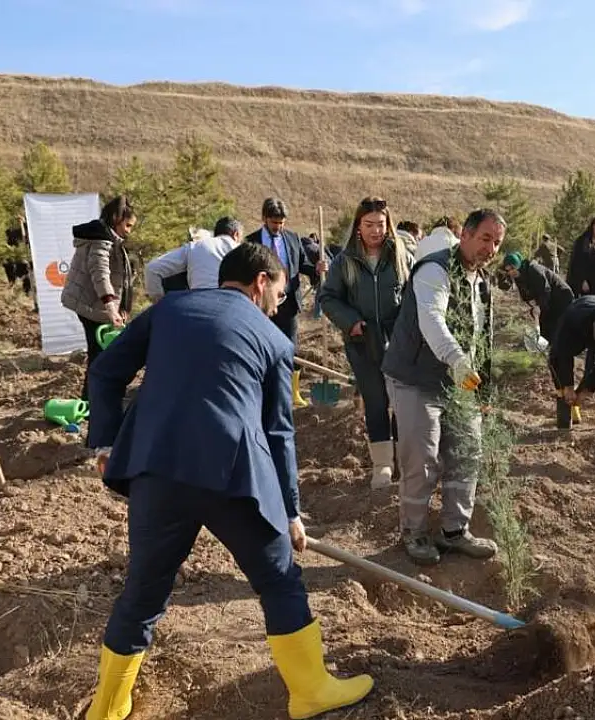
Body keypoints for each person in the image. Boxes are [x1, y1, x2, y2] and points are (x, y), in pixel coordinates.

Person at [80, 243, 373, 720]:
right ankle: (311, 691)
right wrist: (290, 512)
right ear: (260, 282)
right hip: (234, 477)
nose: (279, 305)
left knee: (143, 592)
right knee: (279, 581)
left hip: (158, 469)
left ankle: (108, 708)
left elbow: (105, 372)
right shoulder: (274, 340)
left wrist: (105, 443)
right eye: (280, 293)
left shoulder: (169, 309)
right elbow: (278, 433)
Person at [380, 209, 505, 566]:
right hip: (415, 377)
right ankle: (414, 532)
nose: (491, 249)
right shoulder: (435, 269)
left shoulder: (481, 280)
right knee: (421, 458)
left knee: (467, 452)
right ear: (464, 234)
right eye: (485, 239)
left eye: (497, 242)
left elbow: (481, 336)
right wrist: (458, 360)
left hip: (459, 383)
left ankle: (454, 530)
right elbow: (432, 320)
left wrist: (483, 388)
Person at [317, 197, 413, 490]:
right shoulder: (345, 262)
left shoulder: (401, 257)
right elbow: (328, 298)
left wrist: (405, 329)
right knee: (375, 400)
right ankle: (382, 464)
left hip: (397, 341)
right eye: (369, 224)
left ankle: (404, 461)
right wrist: (352, 322)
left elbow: (412, 297)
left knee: (401, 401)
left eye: (381, 224)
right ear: (358, 226)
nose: (375, 231)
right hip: (362, 341)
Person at [245, 197, 326, 409]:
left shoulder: (292, 238)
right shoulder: (251, 242)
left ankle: (292, 392)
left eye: (281, 223)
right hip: (262, 305)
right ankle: (265, 393)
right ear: (264, 218)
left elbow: (303, 265)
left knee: (291, 347)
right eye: (274, 223)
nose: (278, 227)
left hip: (288, 303)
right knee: (263, 347)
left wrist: (317, 269)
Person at [61, 195, 137, 403]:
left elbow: (121, 279)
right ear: (116, 219)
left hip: (97, 303)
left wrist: (121, 308)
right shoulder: (100, 239)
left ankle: (93, 400)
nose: (129, 231)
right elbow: (100, 273)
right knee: (99, 355)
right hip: (90, 304)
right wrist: (111, 308)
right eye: (128, 225)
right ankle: (92, 402)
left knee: (99, 354)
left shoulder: (108, 238)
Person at [547, 295, 595, 431]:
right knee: (555, 359)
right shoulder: (572, 320)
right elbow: (563, 353)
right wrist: (568, 385)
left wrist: (587, 389)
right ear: (594, 326)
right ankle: (569, 407)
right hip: (578, 322)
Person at [144, 217, 245, 301]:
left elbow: (152, 268)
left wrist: (161, 303)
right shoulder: (243, 250)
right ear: (236, 234)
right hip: (231, 308)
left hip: (196, 306)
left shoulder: (194, 247)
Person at [500, 251, 574, 350]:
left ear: (518, 265)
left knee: (556, 323)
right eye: (508, 270)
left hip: (561, 296)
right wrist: (532, 304)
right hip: (547, 299)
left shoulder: (534, 269)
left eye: (512, 268)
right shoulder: (518, 276)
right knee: (543, 322)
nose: (510, 272)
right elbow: (525, 293)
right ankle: (544, 347)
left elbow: (545, 289)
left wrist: (539, 306)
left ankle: (560, 348)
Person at [566, 215, 595, 296]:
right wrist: (582, 280)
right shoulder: (583, 241)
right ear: (594, 226)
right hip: (584, 284)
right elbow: (577, 263)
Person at [4, 215, 33, 295]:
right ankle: (13, 283)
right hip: (17, 256)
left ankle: (27, 291)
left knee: (24, 268)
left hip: (25, 257)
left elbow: (24, 239)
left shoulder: (27, 229)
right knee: (9, 264)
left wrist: (22, 223)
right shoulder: (12, 232)